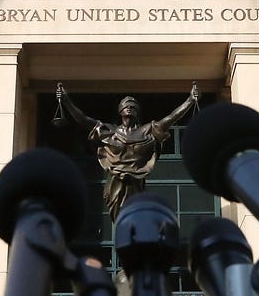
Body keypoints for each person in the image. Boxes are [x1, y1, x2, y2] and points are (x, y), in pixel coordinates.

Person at [57, 83, 199, 221]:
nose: (129, 108)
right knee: (120, 220)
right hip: (115, 182)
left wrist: (190, 100)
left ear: (137, 112)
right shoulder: (109, 131)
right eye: (126, 106)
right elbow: (84, 120)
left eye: (133, 106)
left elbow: (171, 118)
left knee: (136, 219)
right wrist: (66, 101)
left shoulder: (147, 131)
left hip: (136, 183)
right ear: (120, 111)